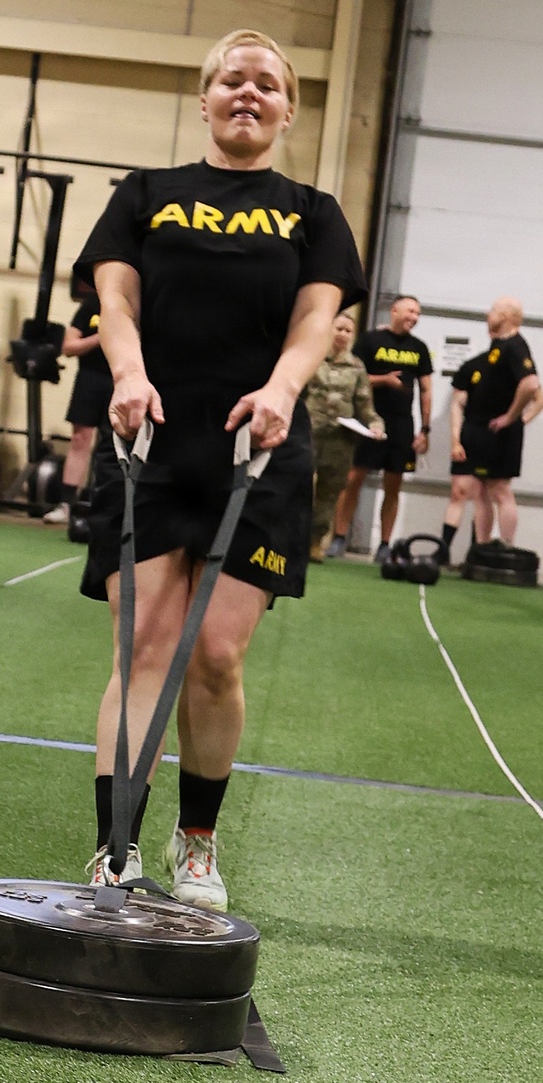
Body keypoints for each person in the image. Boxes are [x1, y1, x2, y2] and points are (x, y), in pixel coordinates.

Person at [72, 28, 366, 906]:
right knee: (144, 646)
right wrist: (128, 374)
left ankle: (196, 842)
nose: (249, 93)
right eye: (233, 80)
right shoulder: (146, 194)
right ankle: (115, 846)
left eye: (267, 84)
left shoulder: (312, 213)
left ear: (288, 111)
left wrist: (281, 390)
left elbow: (314, 320)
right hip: (153, 438)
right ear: (204, 100)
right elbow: (115, 299)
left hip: (259, 446)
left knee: (216, 655)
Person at [327, 295, 432, 562]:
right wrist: (384, 380)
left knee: (393, 484)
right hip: (369, 420)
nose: (414, 317)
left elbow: (426, 389)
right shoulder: (370, 340)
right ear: (394, 311)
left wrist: (425, 429)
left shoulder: (419, 348)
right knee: (353, 479)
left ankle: (384, 544)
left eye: (417, 313)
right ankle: (339, 537)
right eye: (410, 311)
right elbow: (355, 376)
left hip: (401, 424)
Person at [440, 298, 539, 559]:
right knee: (481, 492)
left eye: (494, 310)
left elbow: (531, 385)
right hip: (482, 431)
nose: (488, 314)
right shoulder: (497, 348)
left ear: (505, 316)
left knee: (500, 490)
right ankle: (481, 553)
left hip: (500, 433)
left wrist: (511, 417)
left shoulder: (515, 345)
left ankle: (506, 550)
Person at [303, 312, 383, 561]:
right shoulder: (312, 356)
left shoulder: (357, 367)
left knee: (329, 490)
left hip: (339, 440)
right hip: (308, 433)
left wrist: (375, 425)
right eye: (339, 328)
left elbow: (365, 405)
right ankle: (289, 538)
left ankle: (315, 541)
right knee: (298, 484)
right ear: (329, 329)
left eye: (348, 331)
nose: (343, 334)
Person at [43, 290, 113, 525]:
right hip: (91, 378)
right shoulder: (92, 305)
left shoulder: (137, 304)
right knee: (80, 439)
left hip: (121, 379)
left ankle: (107, 506)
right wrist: (100, 337)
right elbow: (69, 347)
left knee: (113, 444)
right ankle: (65, 505)